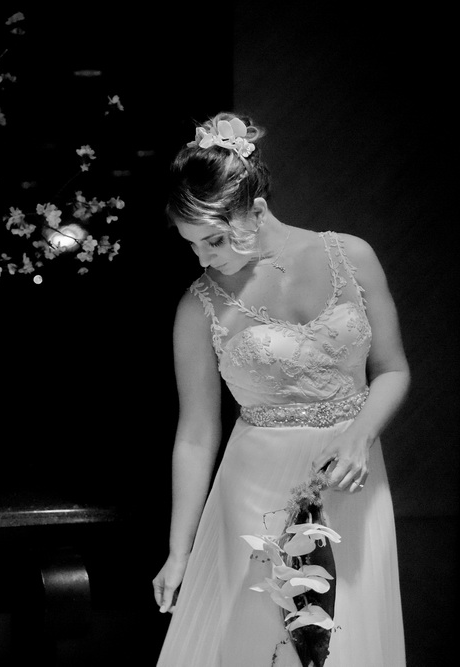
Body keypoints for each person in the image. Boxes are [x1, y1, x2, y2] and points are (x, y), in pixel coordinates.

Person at [152, 112, 409, 666]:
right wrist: (179, 550)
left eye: (214, 240)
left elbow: (392, 370)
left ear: (257, 210)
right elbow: (196, 435)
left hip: (352, 480)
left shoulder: (352, 256)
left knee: (350, 642)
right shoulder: (198, 306)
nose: (203, 257)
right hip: (255, 489)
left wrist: (360, 436)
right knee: (265, 645)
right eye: (192, 244)